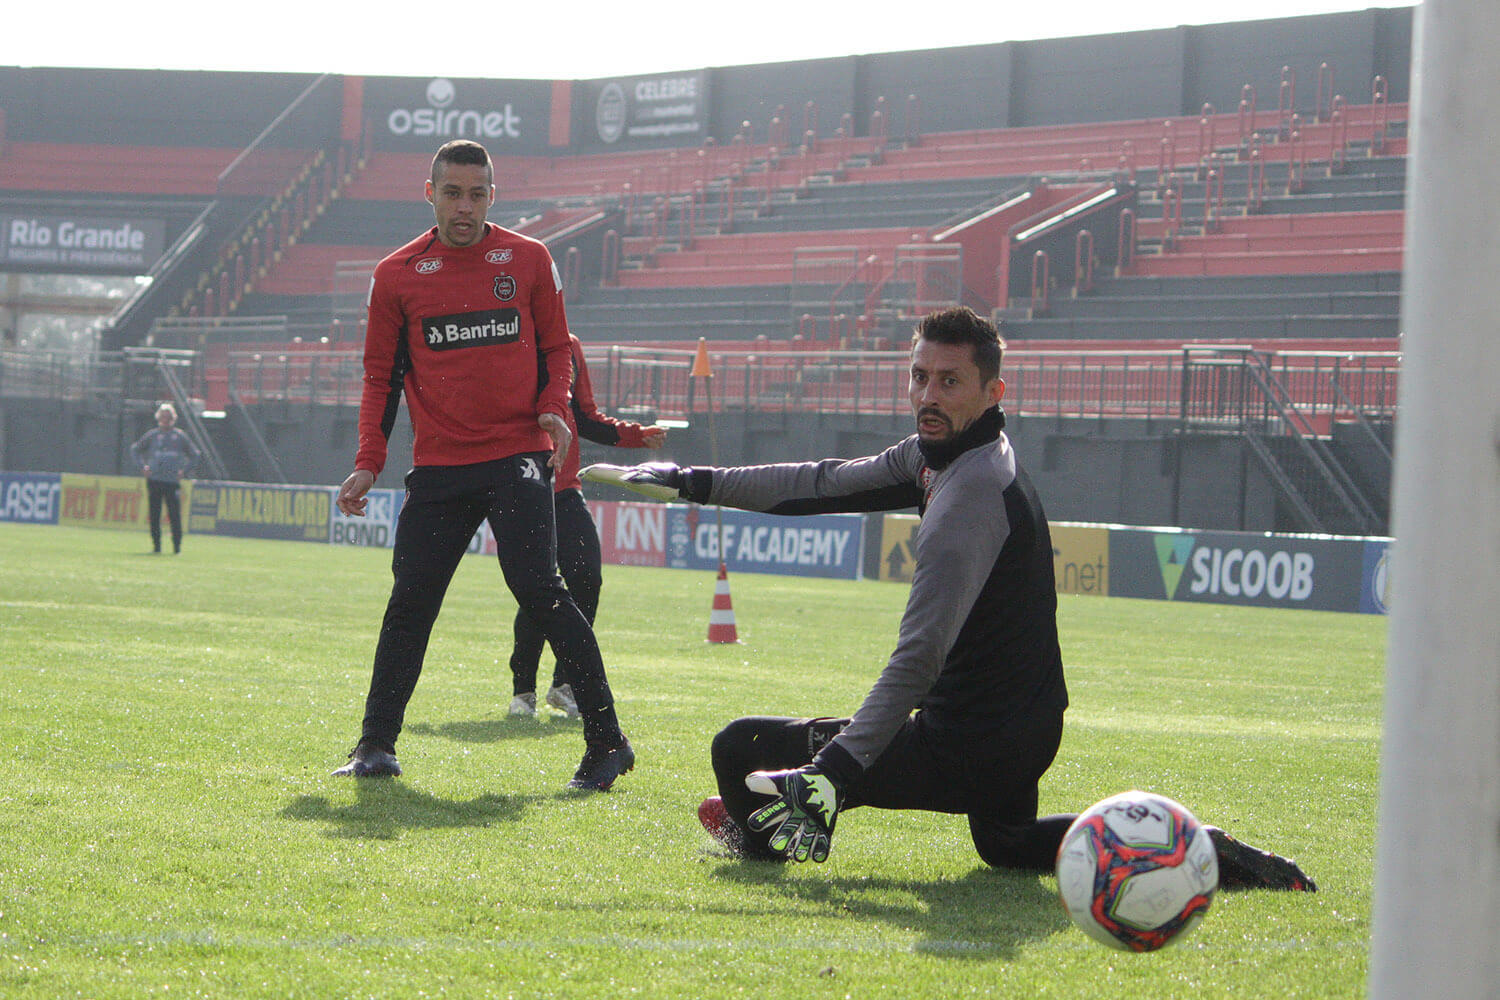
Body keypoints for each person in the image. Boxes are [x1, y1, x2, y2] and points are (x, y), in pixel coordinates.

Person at [611, 306, 1315, 889]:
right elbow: (820, 483)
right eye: (920, 377)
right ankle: (1197, 847)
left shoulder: (968, 499)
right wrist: (692, 481)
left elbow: (917, 659)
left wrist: (832, 775)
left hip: (970, 743)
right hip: (1027, 726)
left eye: (950, 382)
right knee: (1006, 845)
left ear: (992, 393)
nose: (928, 395)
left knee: (740, 746)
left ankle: (758, 839)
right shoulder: (942, 454)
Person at [332, 139, 634, 791]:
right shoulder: (396, 275)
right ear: (430, 193)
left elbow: (559, 350)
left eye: (477, 193)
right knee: (409, 601)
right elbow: (380, 378)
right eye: (452, 192)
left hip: (516, 459)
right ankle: (375, 746)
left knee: (540, 589)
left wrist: (555, 407)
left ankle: (609, 742)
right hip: (439, 470)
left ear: (492, 195)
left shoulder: (528, 259)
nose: (464, 206)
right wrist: (367, 462)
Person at [508, 333, 666, 719]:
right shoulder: (508, 336)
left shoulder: (569, 345)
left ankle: (564, 684)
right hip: (520, 482)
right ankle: (522, 690)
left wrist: (635, 436)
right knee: (537, 585)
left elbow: (584, 416)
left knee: (586, 576)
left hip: (563, 486)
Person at [130, 402, 199, 554]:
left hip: (172, 481)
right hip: (154, 480)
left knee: (174, 515)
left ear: (173, 418)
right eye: (163, 417)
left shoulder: (179, 436)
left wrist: (184, 471)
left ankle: (176, 547)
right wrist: (143, 467)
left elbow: (195, 454)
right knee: (154, 515)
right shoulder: (153, 435)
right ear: (158, 418)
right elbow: (135, 450)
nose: (165, 420)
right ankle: (157, 547)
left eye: (168, 417)